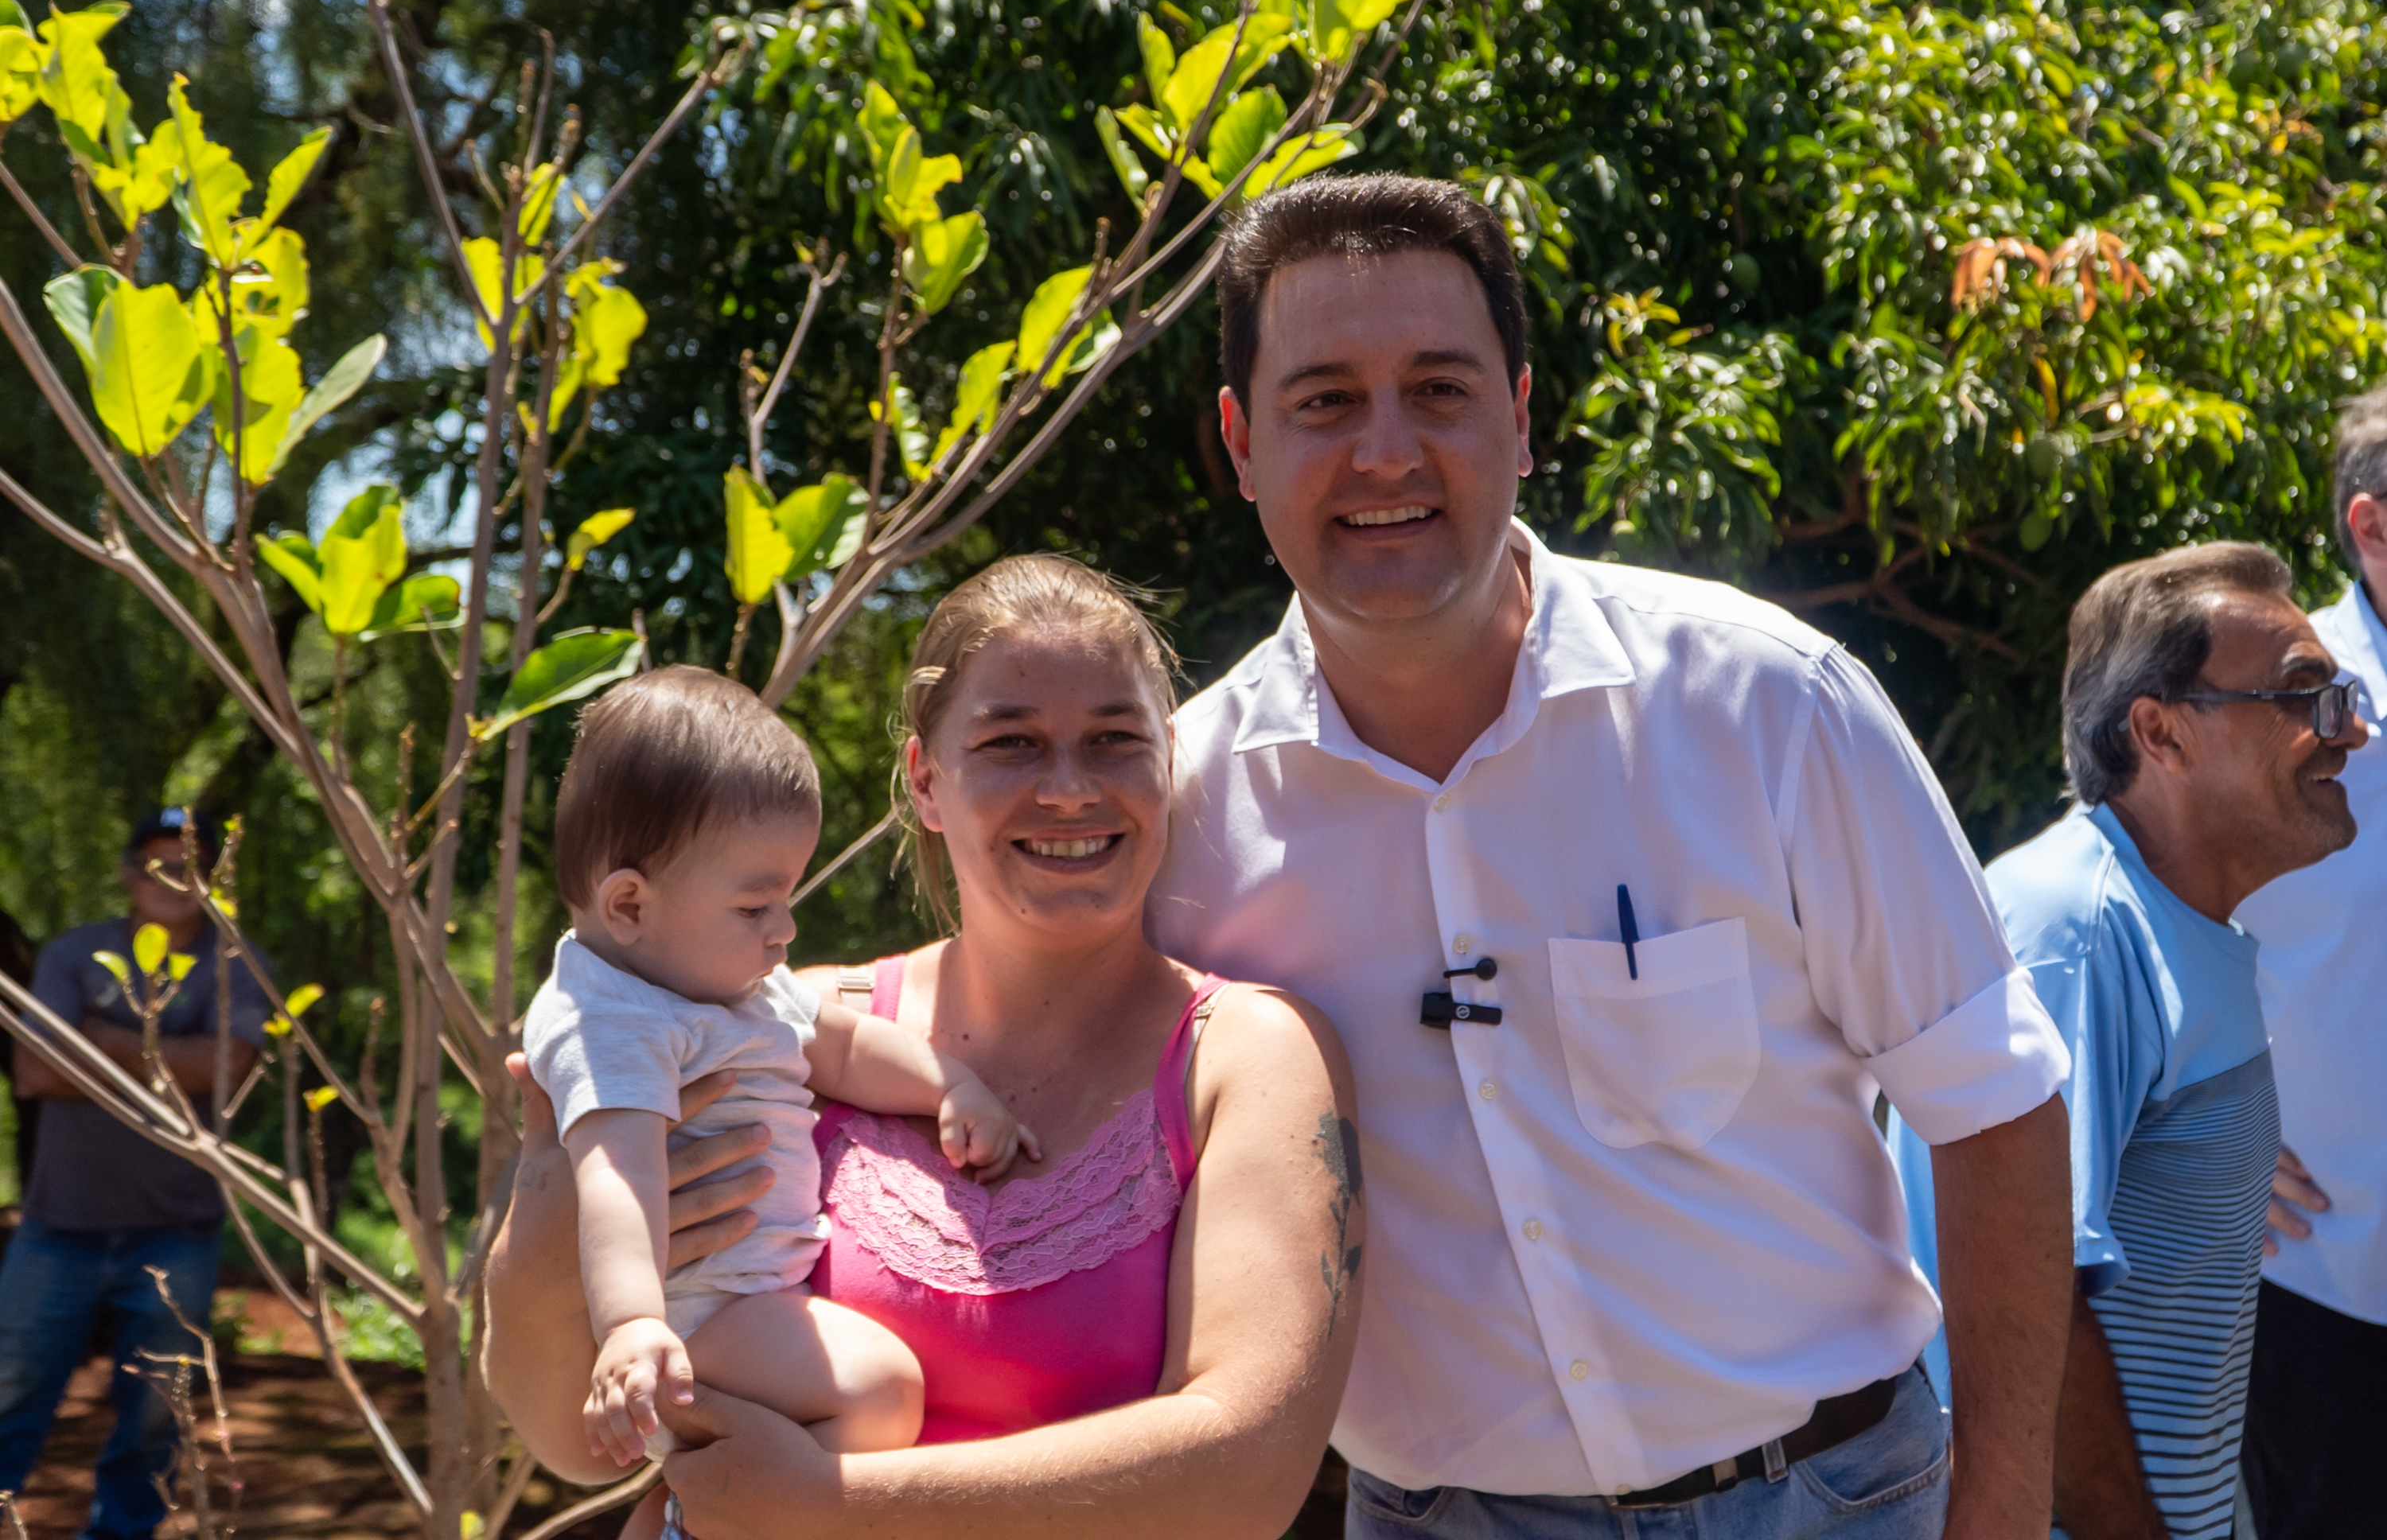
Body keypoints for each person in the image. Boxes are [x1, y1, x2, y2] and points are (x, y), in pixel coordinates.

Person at [1147, 172, 2075, 1539]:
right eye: (1325, 401)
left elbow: (1993, 1102)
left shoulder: (1768, 706)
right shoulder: (1182, 817)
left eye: (1441, 391)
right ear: (1239, 441)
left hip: (1835, 1502)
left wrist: (2000, 1509)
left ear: (1522, 416)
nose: (1387, 452)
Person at [486, 555, 1364, 1540]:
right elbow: (571, 1434)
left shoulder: (1249, 1058)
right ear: (926, 779)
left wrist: (829, 1505)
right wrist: (550, 1231)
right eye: (1012, 742)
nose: (1069, 788)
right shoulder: (773, 1026)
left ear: (1170, 762)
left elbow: (1240, 1474)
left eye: (1116, 739)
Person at [1892, 542, 2365, 1539]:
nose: (2352, 730)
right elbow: (2028, 1301)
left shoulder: (2179, 918)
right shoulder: (2078, 928)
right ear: (2161, 732)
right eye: (2304, 695)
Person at [522, 666, 1033, 1468]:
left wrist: (950, 1084)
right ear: (628, 905)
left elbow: (844, 1044)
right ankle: (722, 1509)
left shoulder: (731, 987)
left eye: (786, 897)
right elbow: (618, 1177)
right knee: (878, 1388)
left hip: (746, 1299)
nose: (785, 929)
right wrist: (632, 1322)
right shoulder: (611, 1019)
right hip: (693, 1315)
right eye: (755, 906)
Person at [0, 808, 273, 1540]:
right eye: (157, 862)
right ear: (128, 875)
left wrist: (98, 1044)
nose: (172, 879)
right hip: (58, 1226)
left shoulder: (237, 965)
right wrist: (165, 1061)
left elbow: (230, 1065)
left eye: (190, 863)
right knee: (10, 1389)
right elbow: (33, 1071)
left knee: (158, 1415)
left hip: (177, 1231)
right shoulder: (73, 955)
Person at [2231, 389, 2387, 1540]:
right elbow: (2117, 924)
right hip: (2335, 1293)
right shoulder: (2270, 707)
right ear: (2374, 529)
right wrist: (2184, 1116)